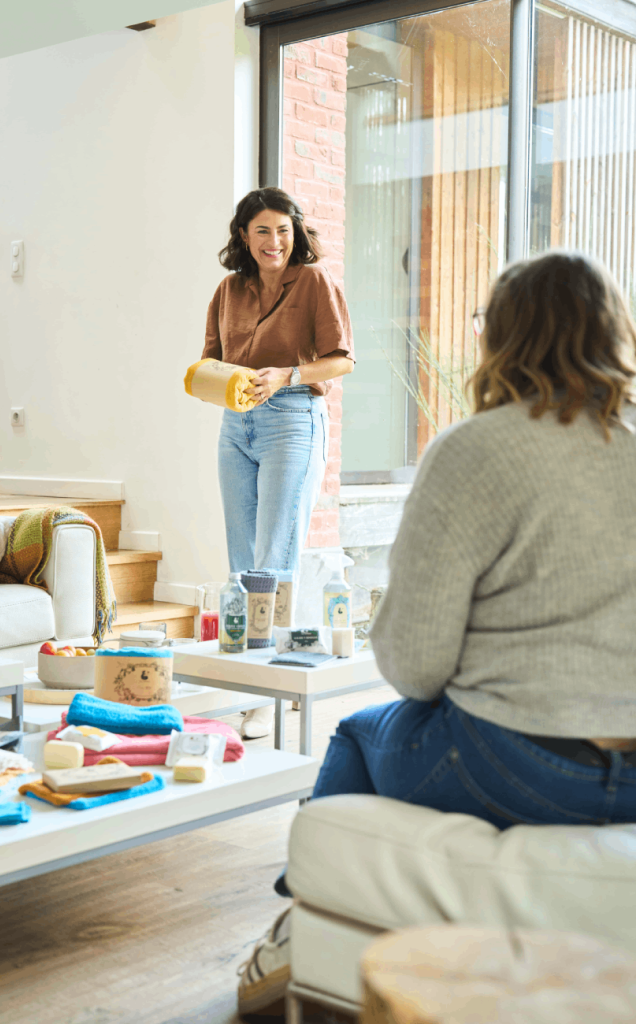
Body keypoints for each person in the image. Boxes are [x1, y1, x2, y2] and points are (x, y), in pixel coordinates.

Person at [237, 250, 636, 1015]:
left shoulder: (474, 450)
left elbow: (414, 669)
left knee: (358, 731)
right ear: (612, 335)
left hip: (526, 766)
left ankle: (297, 927)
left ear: (501, 339)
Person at [203, 188, 354, 738]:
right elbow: (212, 359)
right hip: (235, 421)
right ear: (244, 235)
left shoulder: (313, 282)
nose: (275, 241)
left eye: (284, 230)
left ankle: (271, 688)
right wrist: (215, 379)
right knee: (242, 560)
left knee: (275, 555)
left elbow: (340, 360)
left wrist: (286, 375)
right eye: (263, 231)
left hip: (292, 417)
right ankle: (256, 677)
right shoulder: (229, 289)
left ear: (296, 233)